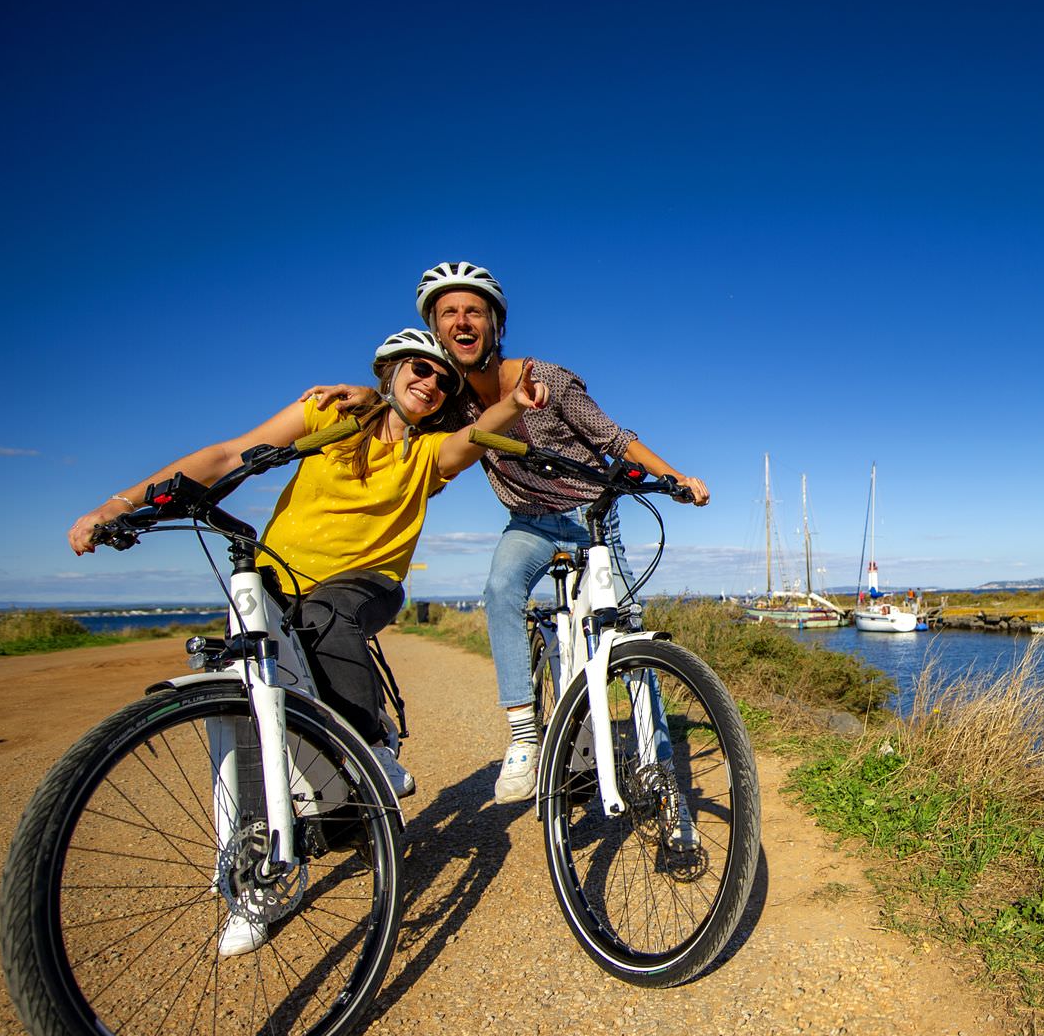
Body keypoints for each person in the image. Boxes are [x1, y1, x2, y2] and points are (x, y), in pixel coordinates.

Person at [69, 327, 549, 803]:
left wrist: (514, 403)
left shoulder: (427, 454)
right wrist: (119, 505)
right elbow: (228, 456)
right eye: (422, 368)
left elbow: (477, 435)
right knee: (259, 685)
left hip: (365, 583)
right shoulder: (329, 416)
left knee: (328, 612)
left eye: (445, 382)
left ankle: (370, 748)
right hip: (276, 579)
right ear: (394, 370)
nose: (432, 383)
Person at [308, 261, 709, 805]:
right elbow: (405, 407)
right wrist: (370, 395)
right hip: (529, 524)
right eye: (448, 312)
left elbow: (616, 437)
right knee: (499, 588)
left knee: (629, 633)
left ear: (496, 324)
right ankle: (525, 735)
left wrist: (675, 477)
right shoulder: (449, 402)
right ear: (437, 327)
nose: (462, 319)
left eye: (474, 310)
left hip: (591, 519)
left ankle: (656, 762)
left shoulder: (546, 378)